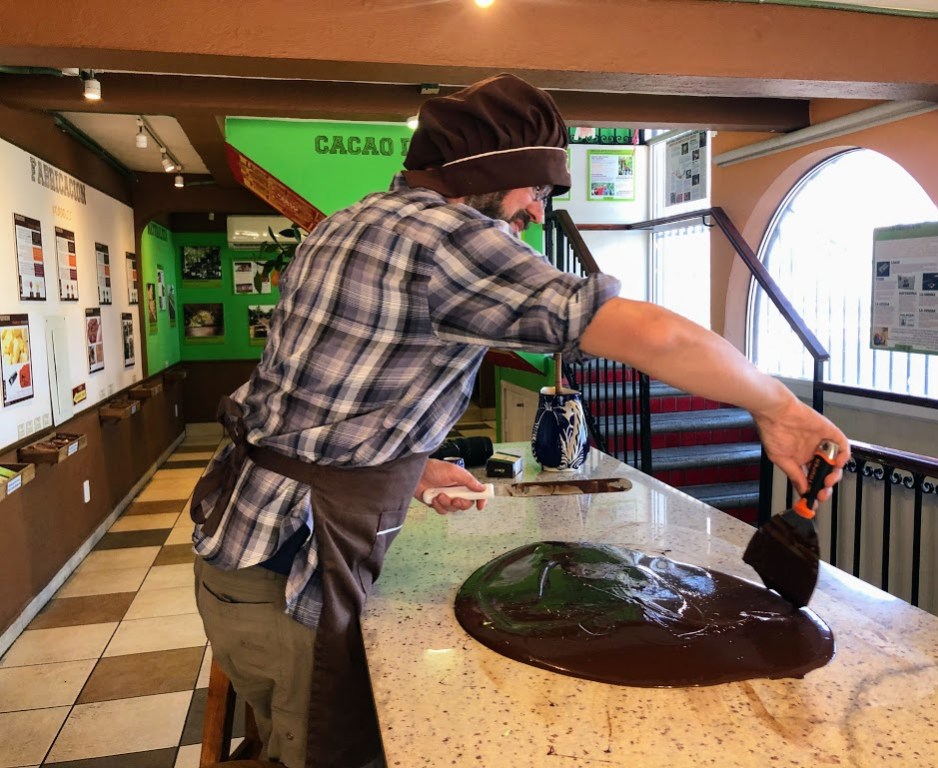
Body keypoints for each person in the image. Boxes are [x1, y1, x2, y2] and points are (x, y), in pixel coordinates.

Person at [190, 73, 850, 768]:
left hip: (242, 544)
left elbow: (321, 393)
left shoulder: (354, 221)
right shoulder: (445, 237)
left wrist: (411, 469)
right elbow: (651, 336)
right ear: (485, 176)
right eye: (534, 189)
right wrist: (778, 406)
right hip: (291, 574)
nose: (537, 212)